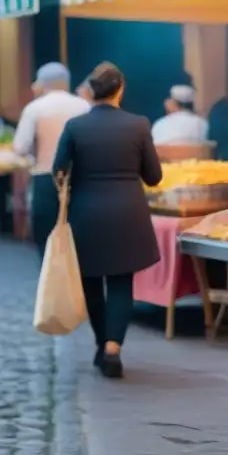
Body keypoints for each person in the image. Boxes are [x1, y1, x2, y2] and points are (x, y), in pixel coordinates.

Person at [53, 63, 162, 378]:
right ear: (121, 89)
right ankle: (113, 347)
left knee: (90, 283)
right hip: (128, 213)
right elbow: (154, 177)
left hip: (86, 212)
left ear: (90, 91)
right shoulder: (139, 125)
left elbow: (59, 171)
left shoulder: (75, 126)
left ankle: (103, 344)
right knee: (120, 283)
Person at [12, 63, 90, 254]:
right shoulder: (84, 106)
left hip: (46, 178)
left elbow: (20, 147)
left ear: (43, 83)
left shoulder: (34, 108)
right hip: (80, 179)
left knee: (47, 241)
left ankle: (51, 282)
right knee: (78, 240)